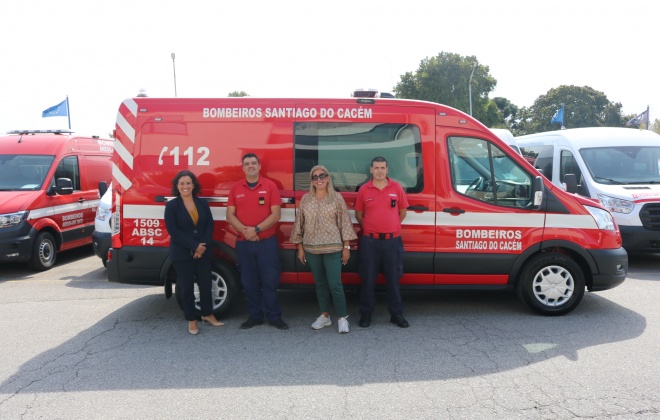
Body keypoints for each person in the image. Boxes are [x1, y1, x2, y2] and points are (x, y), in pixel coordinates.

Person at [290, 165, 357, 333]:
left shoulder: (337, 198)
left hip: (333, 247)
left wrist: (346, 247)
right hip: (311, 248)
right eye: (315, 177)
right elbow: (300, 224)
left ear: (328, 178)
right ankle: (325, 316)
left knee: (335, 284)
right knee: (320, 284)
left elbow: (344, 224)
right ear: (311, 181)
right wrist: (299, 247)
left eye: (322, 176)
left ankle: (342, 317)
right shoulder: (306, 199)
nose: (319, 179)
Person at [226, 153, 289, 330]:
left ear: (260, 166)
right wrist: (246, 232)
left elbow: (275, 214)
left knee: (270, 281)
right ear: (243, 168)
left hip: (266, 243)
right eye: (247, 164)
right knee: (249, 282)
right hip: (244, 243)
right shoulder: (236, 188)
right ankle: (255, 316)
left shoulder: (270, 186)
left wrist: (256, 229)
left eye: (254, 163)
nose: (251, 166)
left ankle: (274, 317)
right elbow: (230, 215)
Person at [164, 170, 224, 335]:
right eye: (182, 183)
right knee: (187, 287)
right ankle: (191, 320)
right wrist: (194, 246)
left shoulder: (202, 203)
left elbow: (209, 226)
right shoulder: (171, 206)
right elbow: (173, 231)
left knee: (206, 285)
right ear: (177, 186)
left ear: (193, 185)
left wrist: (201, 247)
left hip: (203, 252)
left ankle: (208, 314)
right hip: (182, 253)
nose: (185, 186)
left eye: (188, 183)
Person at [355, 156, 410, 328]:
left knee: (393, 280)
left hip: (392, 242)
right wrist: (372, 228)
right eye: (376, 167)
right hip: (370, 242)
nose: (379, 170)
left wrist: (390, 227)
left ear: (387, 170)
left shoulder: (397, 188)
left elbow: (402, 212)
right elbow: (359, 215)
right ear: (371, 170)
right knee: (368, 279)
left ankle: (396, 314)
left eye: (382, 168)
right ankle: (366, 314)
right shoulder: (364, 189)